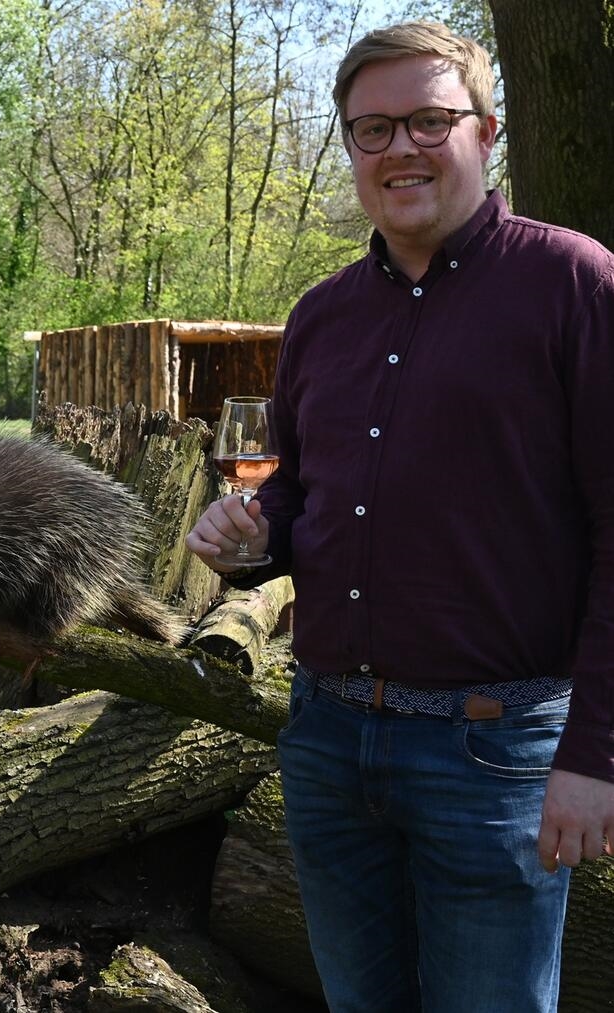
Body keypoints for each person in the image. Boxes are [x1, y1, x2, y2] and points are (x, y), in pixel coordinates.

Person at [185, 21, 614, 1013]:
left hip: (496, 750)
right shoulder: (322, 316)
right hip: (331, 741)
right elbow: (305, 493)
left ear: (486, 131)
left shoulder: (574, 285)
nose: (400, 148)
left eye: (429, 119)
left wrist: (595, 752)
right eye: (371, 129)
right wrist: (253, 536)